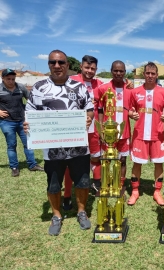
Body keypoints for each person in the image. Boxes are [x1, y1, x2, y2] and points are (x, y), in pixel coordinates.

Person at [25, 50, 94, 236]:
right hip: (52, 149)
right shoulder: (39, 88)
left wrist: (88, 118)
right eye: (53, 62)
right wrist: (28, 125)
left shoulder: (79, 87)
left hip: (78, 146)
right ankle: (56, 215)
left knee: (82, 181)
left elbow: (90, 109)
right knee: (53, 184)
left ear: (67, 65)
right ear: (48, 64)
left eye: (61, 62)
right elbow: (30, 115)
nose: (57, 66)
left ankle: (81, 211)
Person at [128, 62, 164, 206]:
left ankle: (157, 191)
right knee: (137, 163)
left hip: (157, 134)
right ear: (144, 74)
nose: (150, 76)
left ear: (157, 75)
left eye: (153, 74)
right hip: (140, 134)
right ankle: (135, 191)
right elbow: (129, 109)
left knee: (159, 163)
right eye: (148, 73)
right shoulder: (135, 92)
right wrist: (132, 114)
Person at [62, 55, 103, 211]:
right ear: (81, 66)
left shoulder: (99, 84)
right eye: (87, 67)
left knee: (96, 158)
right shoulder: (70, 81)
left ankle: (97, 186)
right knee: (69, 161)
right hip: (74, 130)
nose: (89, 71)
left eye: (92, 68)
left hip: (94, 130)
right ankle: (67, 195)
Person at [0, 68, 43, 177]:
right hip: (6, 122)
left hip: (22, 121)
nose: (11, 81)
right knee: (11, 145)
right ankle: (14, 167)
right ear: (3, 78)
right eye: (8, 79)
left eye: (13, 79)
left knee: (28, 143)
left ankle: (32, 164)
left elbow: (30, 99)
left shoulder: (21, 87)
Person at [97, 60, 131, 189]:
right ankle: (106, 183)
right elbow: (100, 109)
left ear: (124, 72)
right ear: (111, 71)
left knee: (122, 160)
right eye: (115, 70)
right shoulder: (103, 88)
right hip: (108, 132)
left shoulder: (129, 89)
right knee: (106, 159)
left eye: (121, 71)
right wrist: (101, 129)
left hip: (124, 131)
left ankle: (120, 184)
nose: (118, 73)